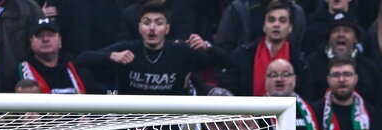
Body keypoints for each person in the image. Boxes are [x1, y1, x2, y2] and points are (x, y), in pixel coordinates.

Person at [75, 1, 229, 96]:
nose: (152, 28)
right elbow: (81, 60)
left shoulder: (180, 52)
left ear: (167, 29)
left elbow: (227, 62)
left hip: (168, 129)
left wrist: (207, 47)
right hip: (133, 127)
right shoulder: (128, 50)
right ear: (139, 27)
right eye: (147, 23)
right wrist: (111, 56)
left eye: (159, 23)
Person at [218, 1, 311, 98]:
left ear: (290, 28)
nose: (276, 24)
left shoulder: (300, 63)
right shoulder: (241, 57)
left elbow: (305, 99)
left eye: (282, 20)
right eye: (271, 20)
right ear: (264, 26)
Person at [314, 57, 378, 130]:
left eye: (347, 74)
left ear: (356, 79)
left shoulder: (369, 112)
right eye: (336, 75)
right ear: (328, 80)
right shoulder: (316, 110)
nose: (342, 79)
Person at [305, 13, 382, 108]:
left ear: (356, 38)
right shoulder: (311, 64)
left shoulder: (369, 68)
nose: (340, 34)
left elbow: (380, 103)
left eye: (347, 31)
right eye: (335, 31)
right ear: (328, 37)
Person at [17, 17, 87, 94]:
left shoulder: (78, 70)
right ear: (31, 42)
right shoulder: (18, 74)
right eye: (39, 35)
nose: (45, 39)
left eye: (51, 35)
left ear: (60, 40)